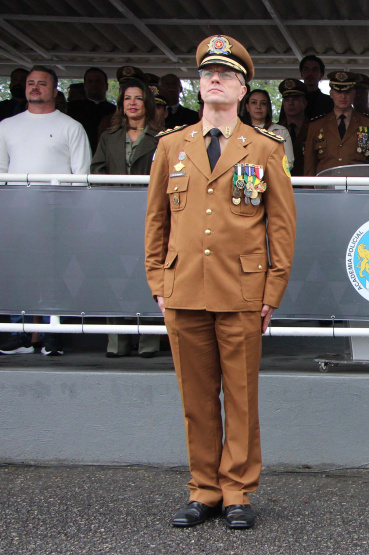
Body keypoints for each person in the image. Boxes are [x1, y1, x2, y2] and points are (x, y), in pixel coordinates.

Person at [144, 34, 296, 529]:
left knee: (241, 395)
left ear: (244, 87)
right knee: (195, 395)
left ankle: (237, 492)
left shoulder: (266, 149)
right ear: (199, 85)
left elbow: (281, 228)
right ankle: (202, 489)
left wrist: (271, 291)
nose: (216, 79)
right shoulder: (172, 146)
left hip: (242, 292)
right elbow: (156, 222)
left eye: (227, 74)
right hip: (184, 287)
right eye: (209, 73)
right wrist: (158, 282)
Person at [0, 65, 90, 357]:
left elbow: (82, 176)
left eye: (42, 83)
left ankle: (53, 334)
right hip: (17, 213)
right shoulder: (6, 126)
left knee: (56, 274)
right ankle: (22, 333)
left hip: (58, 214)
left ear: (54, 90)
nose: (35, 87)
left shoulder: (71, 127)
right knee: (19, 273)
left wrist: (74, 215)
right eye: (30, 83)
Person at [92, 77, 161, 359]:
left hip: (150, 214)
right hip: (115, 216)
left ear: (148, 103)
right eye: (127, 98)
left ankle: (149, 342)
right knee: (115, 275)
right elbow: (96, 171)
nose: (132, 103)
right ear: (121, 104)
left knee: (149, 274)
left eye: (138, 98)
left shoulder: (162, 137)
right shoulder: (108, 137)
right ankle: (116, 343)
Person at [302, 71, 369, 176]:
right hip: (325, 189)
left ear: (354, 94)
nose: (343, 96)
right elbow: (309, 166)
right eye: (338, 92)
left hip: (358, 189)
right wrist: (309, 192)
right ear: (331, 94)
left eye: (347, 92)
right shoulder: (316, 125)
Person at [240, 88, 295, 169]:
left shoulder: (281, 131)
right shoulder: (239, 130)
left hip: (274, 179)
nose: (258, 107)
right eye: (254, 102)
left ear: (268, 107)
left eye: (263, 103)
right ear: (247, 107)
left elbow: (289, 162)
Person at [67, 67, 115, 152]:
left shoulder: (115, 111)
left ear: (106, 86)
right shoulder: (71, 109)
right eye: (90, 81)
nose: (94, 84)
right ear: (85, 86)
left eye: (98, 81)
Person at [277, 78, 309, 176]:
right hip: (282, 181)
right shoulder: (276, 129)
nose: (290, 103)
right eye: (286, 100)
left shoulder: (314, 128)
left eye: (295, 99)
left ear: (304, 103)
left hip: (307, 182)